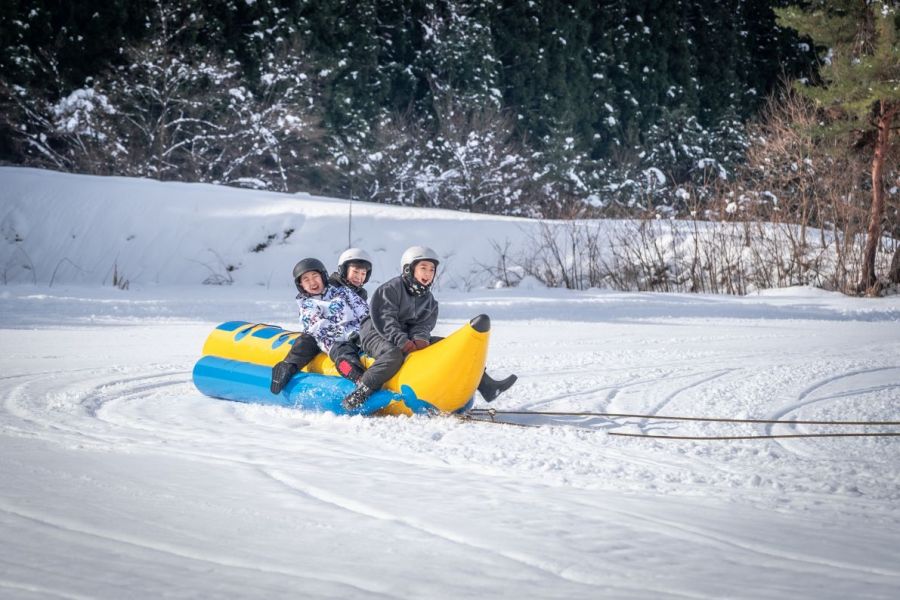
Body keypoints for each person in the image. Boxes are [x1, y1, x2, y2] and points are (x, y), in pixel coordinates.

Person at [342, 245, 517, 410]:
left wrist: (421, 339)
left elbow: (424, 324)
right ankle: (361, 391)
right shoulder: (391, 289)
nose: (428, 273)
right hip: (375, 332)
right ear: (409, 269)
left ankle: (487, 386)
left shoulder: (429, 299)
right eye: (423, 268)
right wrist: (402, 341)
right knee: (393, 355)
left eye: (432, 269)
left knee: (445, 345)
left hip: (404, 335)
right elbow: (384, 318)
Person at [270, 257, 370, 394]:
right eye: (306, 279)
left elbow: (363, 310)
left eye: (315, 276)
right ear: (301, 285)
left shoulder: (343, 292)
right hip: (333, 341)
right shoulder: (306, 305)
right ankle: (356, 375)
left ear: (323, 277)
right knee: (333, 348)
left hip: (359, 333)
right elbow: (321, 329)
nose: (312, 282)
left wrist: (365, 329)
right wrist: (349, 335)